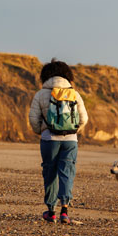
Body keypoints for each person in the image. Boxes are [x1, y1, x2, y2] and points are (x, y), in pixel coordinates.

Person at [28, 59, 88, 223]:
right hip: (70, 140)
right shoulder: (74, 94)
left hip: (49, 139)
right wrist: (73, 131)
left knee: (50, 172)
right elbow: (84, 118)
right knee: (67, 173)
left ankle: (51, 211)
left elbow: (33, 119)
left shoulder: (41, 94)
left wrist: (42, 131)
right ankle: (65, 211)